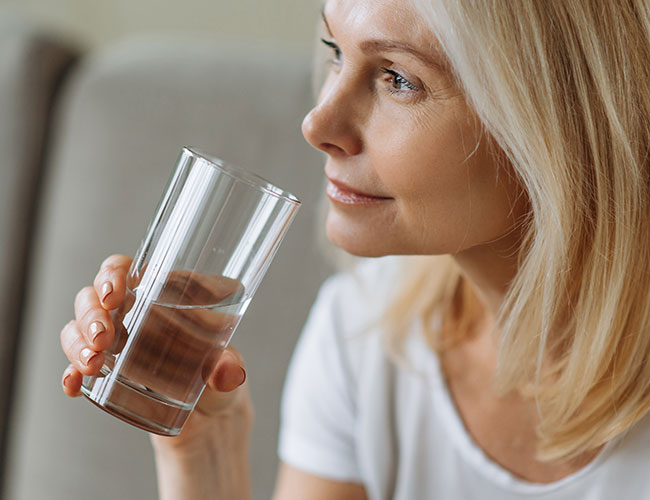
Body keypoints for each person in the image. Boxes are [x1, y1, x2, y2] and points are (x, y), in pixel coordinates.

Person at [59, 0, 650, 498]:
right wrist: (201, 451)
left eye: (398, 78)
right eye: (335, 51)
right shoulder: (363, 333)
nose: (317, 122)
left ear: (553, 121)